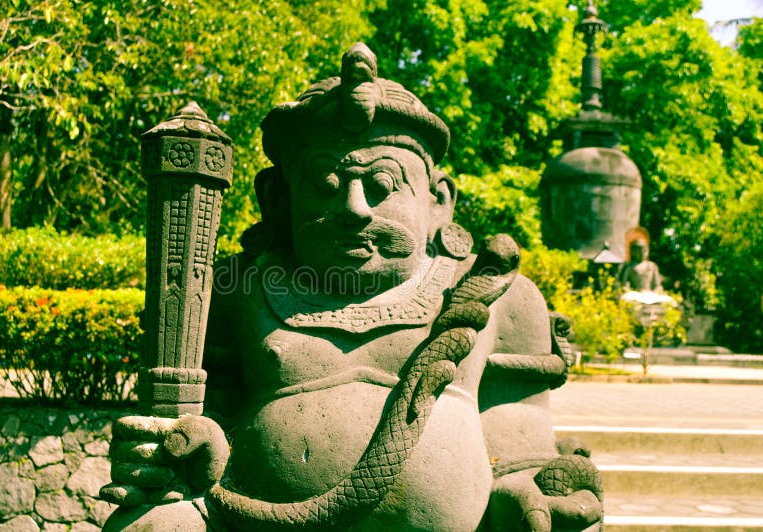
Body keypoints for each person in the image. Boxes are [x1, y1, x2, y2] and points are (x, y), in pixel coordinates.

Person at [101, 43, 603, 531]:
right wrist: (187, 445)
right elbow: (215, 411)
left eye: (383, 186)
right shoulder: (239, 289)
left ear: (438, 201)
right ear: (277, 199)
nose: (353, 208)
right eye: (325, 184)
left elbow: (514, 430)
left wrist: (522, 488)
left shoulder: (493, 292)